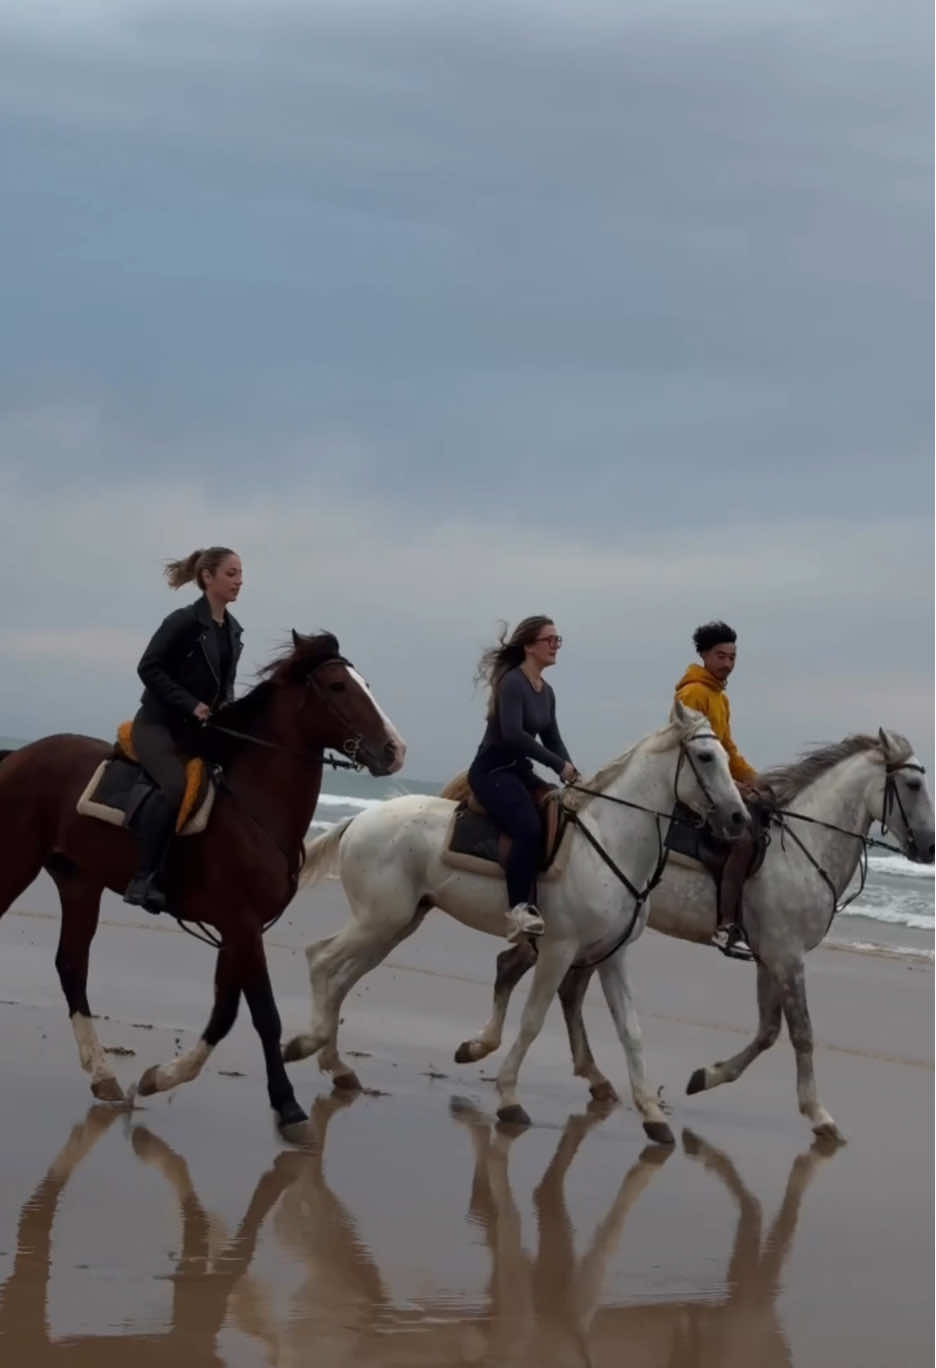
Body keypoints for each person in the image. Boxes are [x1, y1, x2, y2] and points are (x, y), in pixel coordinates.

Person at [123, 547, 244, 914]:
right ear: (208, 577)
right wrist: (190, 703)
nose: (240, 581)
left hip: (198, 732)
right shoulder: (183, 621)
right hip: (157, 725)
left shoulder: (232, 631)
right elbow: (149, 668)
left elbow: (225, 688)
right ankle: (143, 878)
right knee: (175, 786)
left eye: (241, 574)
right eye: (231, 573)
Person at [468, 616, 580, 942]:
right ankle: (519, 908)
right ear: (529, 646)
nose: (555, 646)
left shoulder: (547, 692)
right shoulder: (513, 682)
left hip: (518, 771)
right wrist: (559, 766)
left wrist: (571, 771)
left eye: (558, 640)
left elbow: (552, 739)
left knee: (561, 812)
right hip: (492, 771)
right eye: (550, 640)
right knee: (528, 827)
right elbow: (515, 734)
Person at [674, 620, 764, 954]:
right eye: (721, 656)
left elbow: (728, 749)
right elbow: (693, 755)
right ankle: (726, 925)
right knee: (741, 842)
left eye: (732, 657)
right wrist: (734, 787)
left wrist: (759, 782)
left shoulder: (720, 698)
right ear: (704, 656)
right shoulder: (692, 693)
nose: (727, 664)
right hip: (696, 787)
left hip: (719, 784)